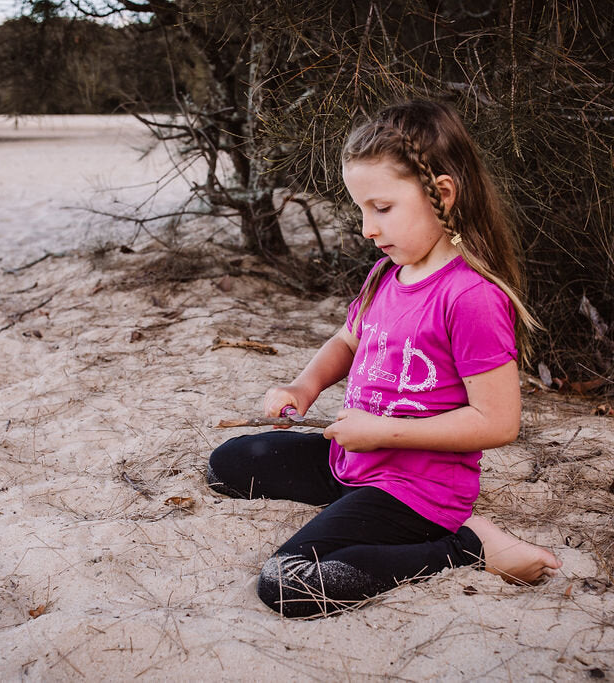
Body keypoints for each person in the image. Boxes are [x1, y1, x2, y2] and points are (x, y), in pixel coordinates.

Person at [208, 100, 561, 618]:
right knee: (228, 466)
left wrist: (381, 433)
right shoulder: (387, 274)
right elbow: (348, 341)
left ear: (442, 194)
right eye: (361, 210)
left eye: (383, 208)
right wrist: (304, 387)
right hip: (351, 462)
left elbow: (499, 421)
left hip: (416, 490)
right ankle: (354, 511)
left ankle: (466, 547)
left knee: (287, 585)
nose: (369, 228)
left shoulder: (470, 298)